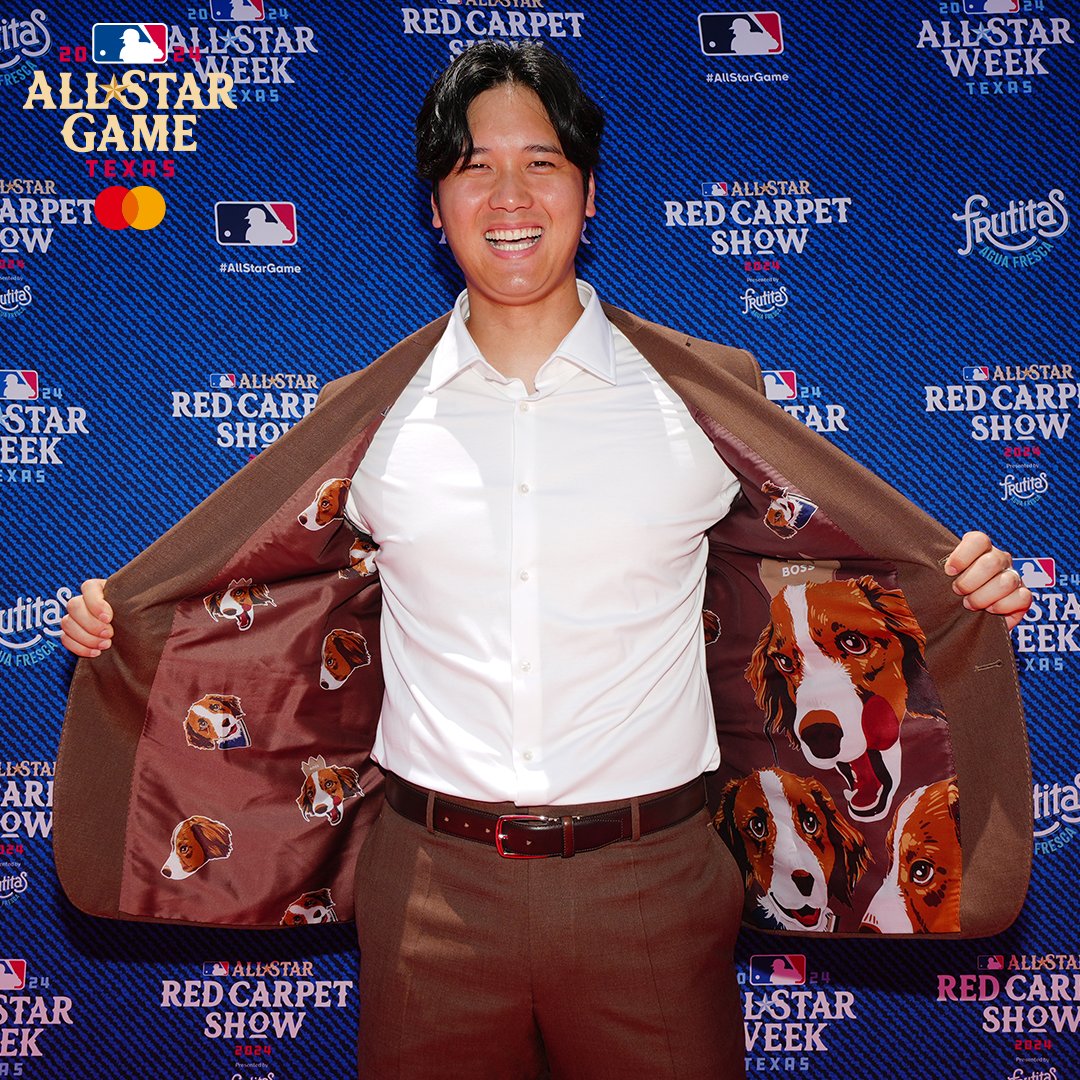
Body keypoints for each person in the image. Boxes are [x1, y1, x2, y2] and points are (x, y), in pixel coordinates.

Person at [60, 42, 1032, 1080]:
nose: (510, 196)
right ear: (436, 206)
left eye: (542, 163)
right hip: (427, 889)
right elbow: (264, 601)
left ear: (589, 191)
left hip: (652, 886)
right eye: (473, 167)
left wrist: (954, 593)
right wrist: (126, 625)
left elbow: (812, 575)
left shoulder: (708, 398)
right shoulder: (364, 421)